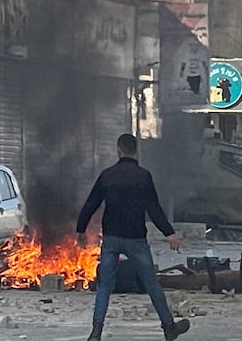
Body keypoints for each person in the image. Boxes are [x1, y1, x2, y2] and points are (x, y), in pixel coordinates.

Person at [76, 133, 190, 341]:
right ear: (135, 150)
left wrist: (80, 230)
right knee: (151, 283)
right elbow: (153, 208)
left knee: (105, 286)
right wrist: (169, 233)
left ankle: (96, 331)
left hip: (111, 239)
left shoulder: (107, 175)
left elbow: (91, 204)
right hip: (136, 239)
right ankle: (168, 326)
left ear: (118, 150)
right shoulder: (143, 176)